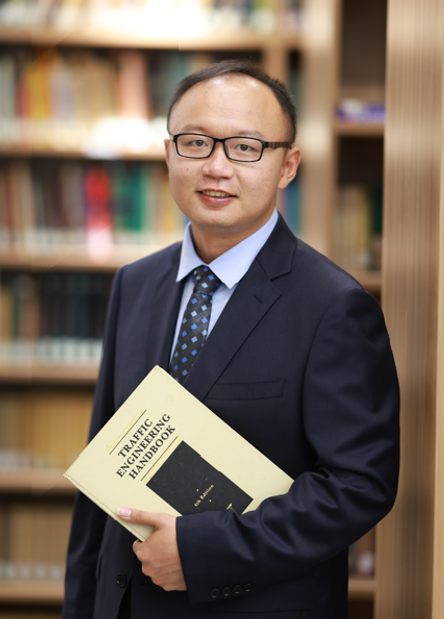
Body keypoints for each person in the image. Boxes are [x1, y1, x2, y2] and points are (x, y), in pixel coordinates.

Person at [62, 60, 399, 619]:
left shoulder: (334, 306)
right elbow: (104, 468)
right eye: (196, 143)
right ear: (169, 153)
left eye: (245, 147)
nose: (216, 167)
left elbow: (358, 486)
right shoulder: (135, 283)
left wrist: (202, 553)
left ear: (287, 165)